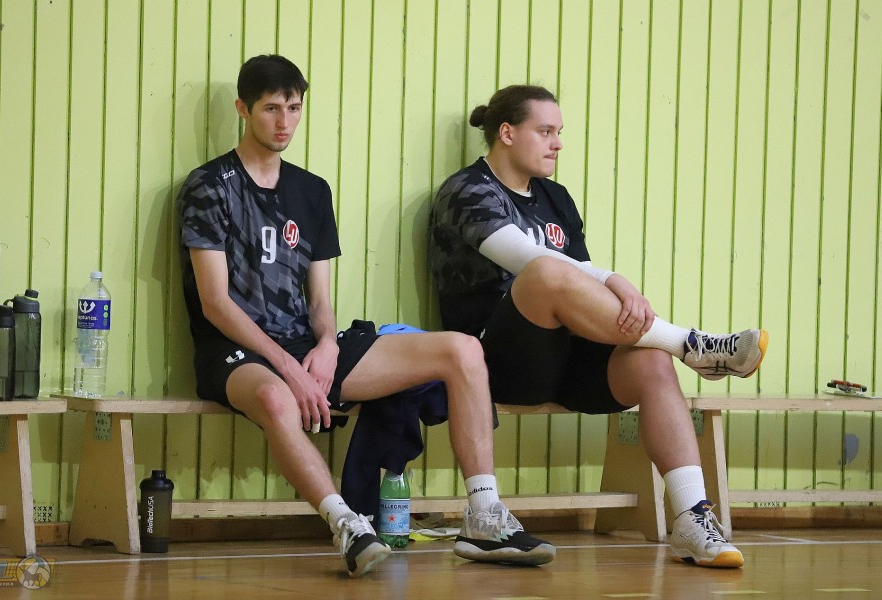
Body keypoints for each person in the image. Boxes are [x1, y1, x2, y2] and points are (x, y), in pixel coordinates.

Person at [176, 56, 555, 578]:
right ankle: (348, 526)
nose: (284, 122)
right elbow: (216, 303)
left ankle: (485, 517)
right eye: (270, 109)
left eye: (293, 108)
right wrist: (288, 368)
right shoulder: (209, 185)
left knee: (462, 348)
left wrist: (327, 345)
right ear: (243, 109)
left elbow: (319, 301)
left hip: (305, 346)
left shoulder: (311, 190)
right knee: (275, 397)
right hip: (235, 351)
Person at [428, 84, 770, 569]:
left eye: (559, 132)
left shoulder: (555, 197)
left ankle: (692, 519)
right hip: (497, 363)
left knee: (651, 361)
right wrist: (612, 278)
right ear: (506, 133)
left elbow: (582, 279)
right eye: (546, 131)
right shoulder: (466, 190)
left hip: (566, 360)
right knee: (543, 274)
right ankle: (690, 343)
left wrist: (612, 283)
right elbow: (529, 260)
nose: (558, 144)